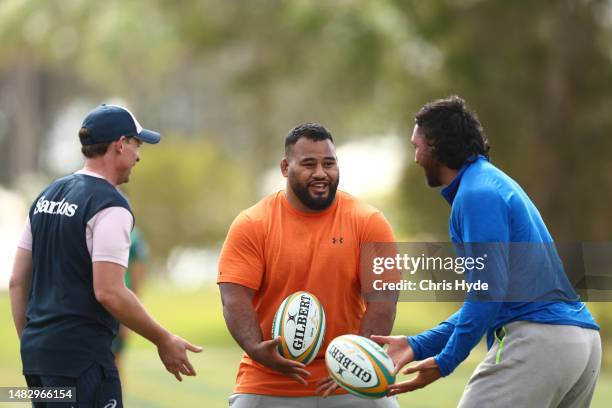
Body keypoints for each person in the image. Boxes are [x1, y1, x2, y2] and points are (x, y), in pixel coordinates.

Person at [373, 96, 601, 407]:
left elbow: (487, 296)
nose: (416, 157)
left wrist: (445, 362)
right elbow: (490, 297)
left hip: (538, 342)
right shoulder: (488, 183)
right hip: (578, 342)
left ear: (436, 145)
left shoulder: (476, 195)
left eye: (417, 146)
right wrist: (417, 345)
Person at [9, 104, 202, 408]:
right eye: (137, 144)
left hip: (38, 359)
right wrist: (163, 339)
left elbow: (17, 281)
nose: (139, 155)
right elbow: (109, 291)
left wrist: (33, 346)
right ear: (120, 144)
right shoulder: (110, 205)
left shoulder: (47, 195)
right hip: (82, 361)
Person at [218, 123, 399, 407]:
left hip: (350, 379)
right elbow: (234, 297)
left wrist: (355, 362)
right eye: (309, 164)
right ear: (285, 167)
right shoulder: (252, 224)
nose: (320, 173)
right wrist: (256, 348)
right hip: (269, 379)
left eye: (329, 163)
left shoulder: (370, 222)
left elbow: (384, 301)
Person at [112, 226, 149, 374]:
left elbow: (137, 276)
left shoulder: (133, 236)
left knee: (114, 362)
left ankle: (115, 398)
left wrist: (129, 316)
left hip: (119, 305)